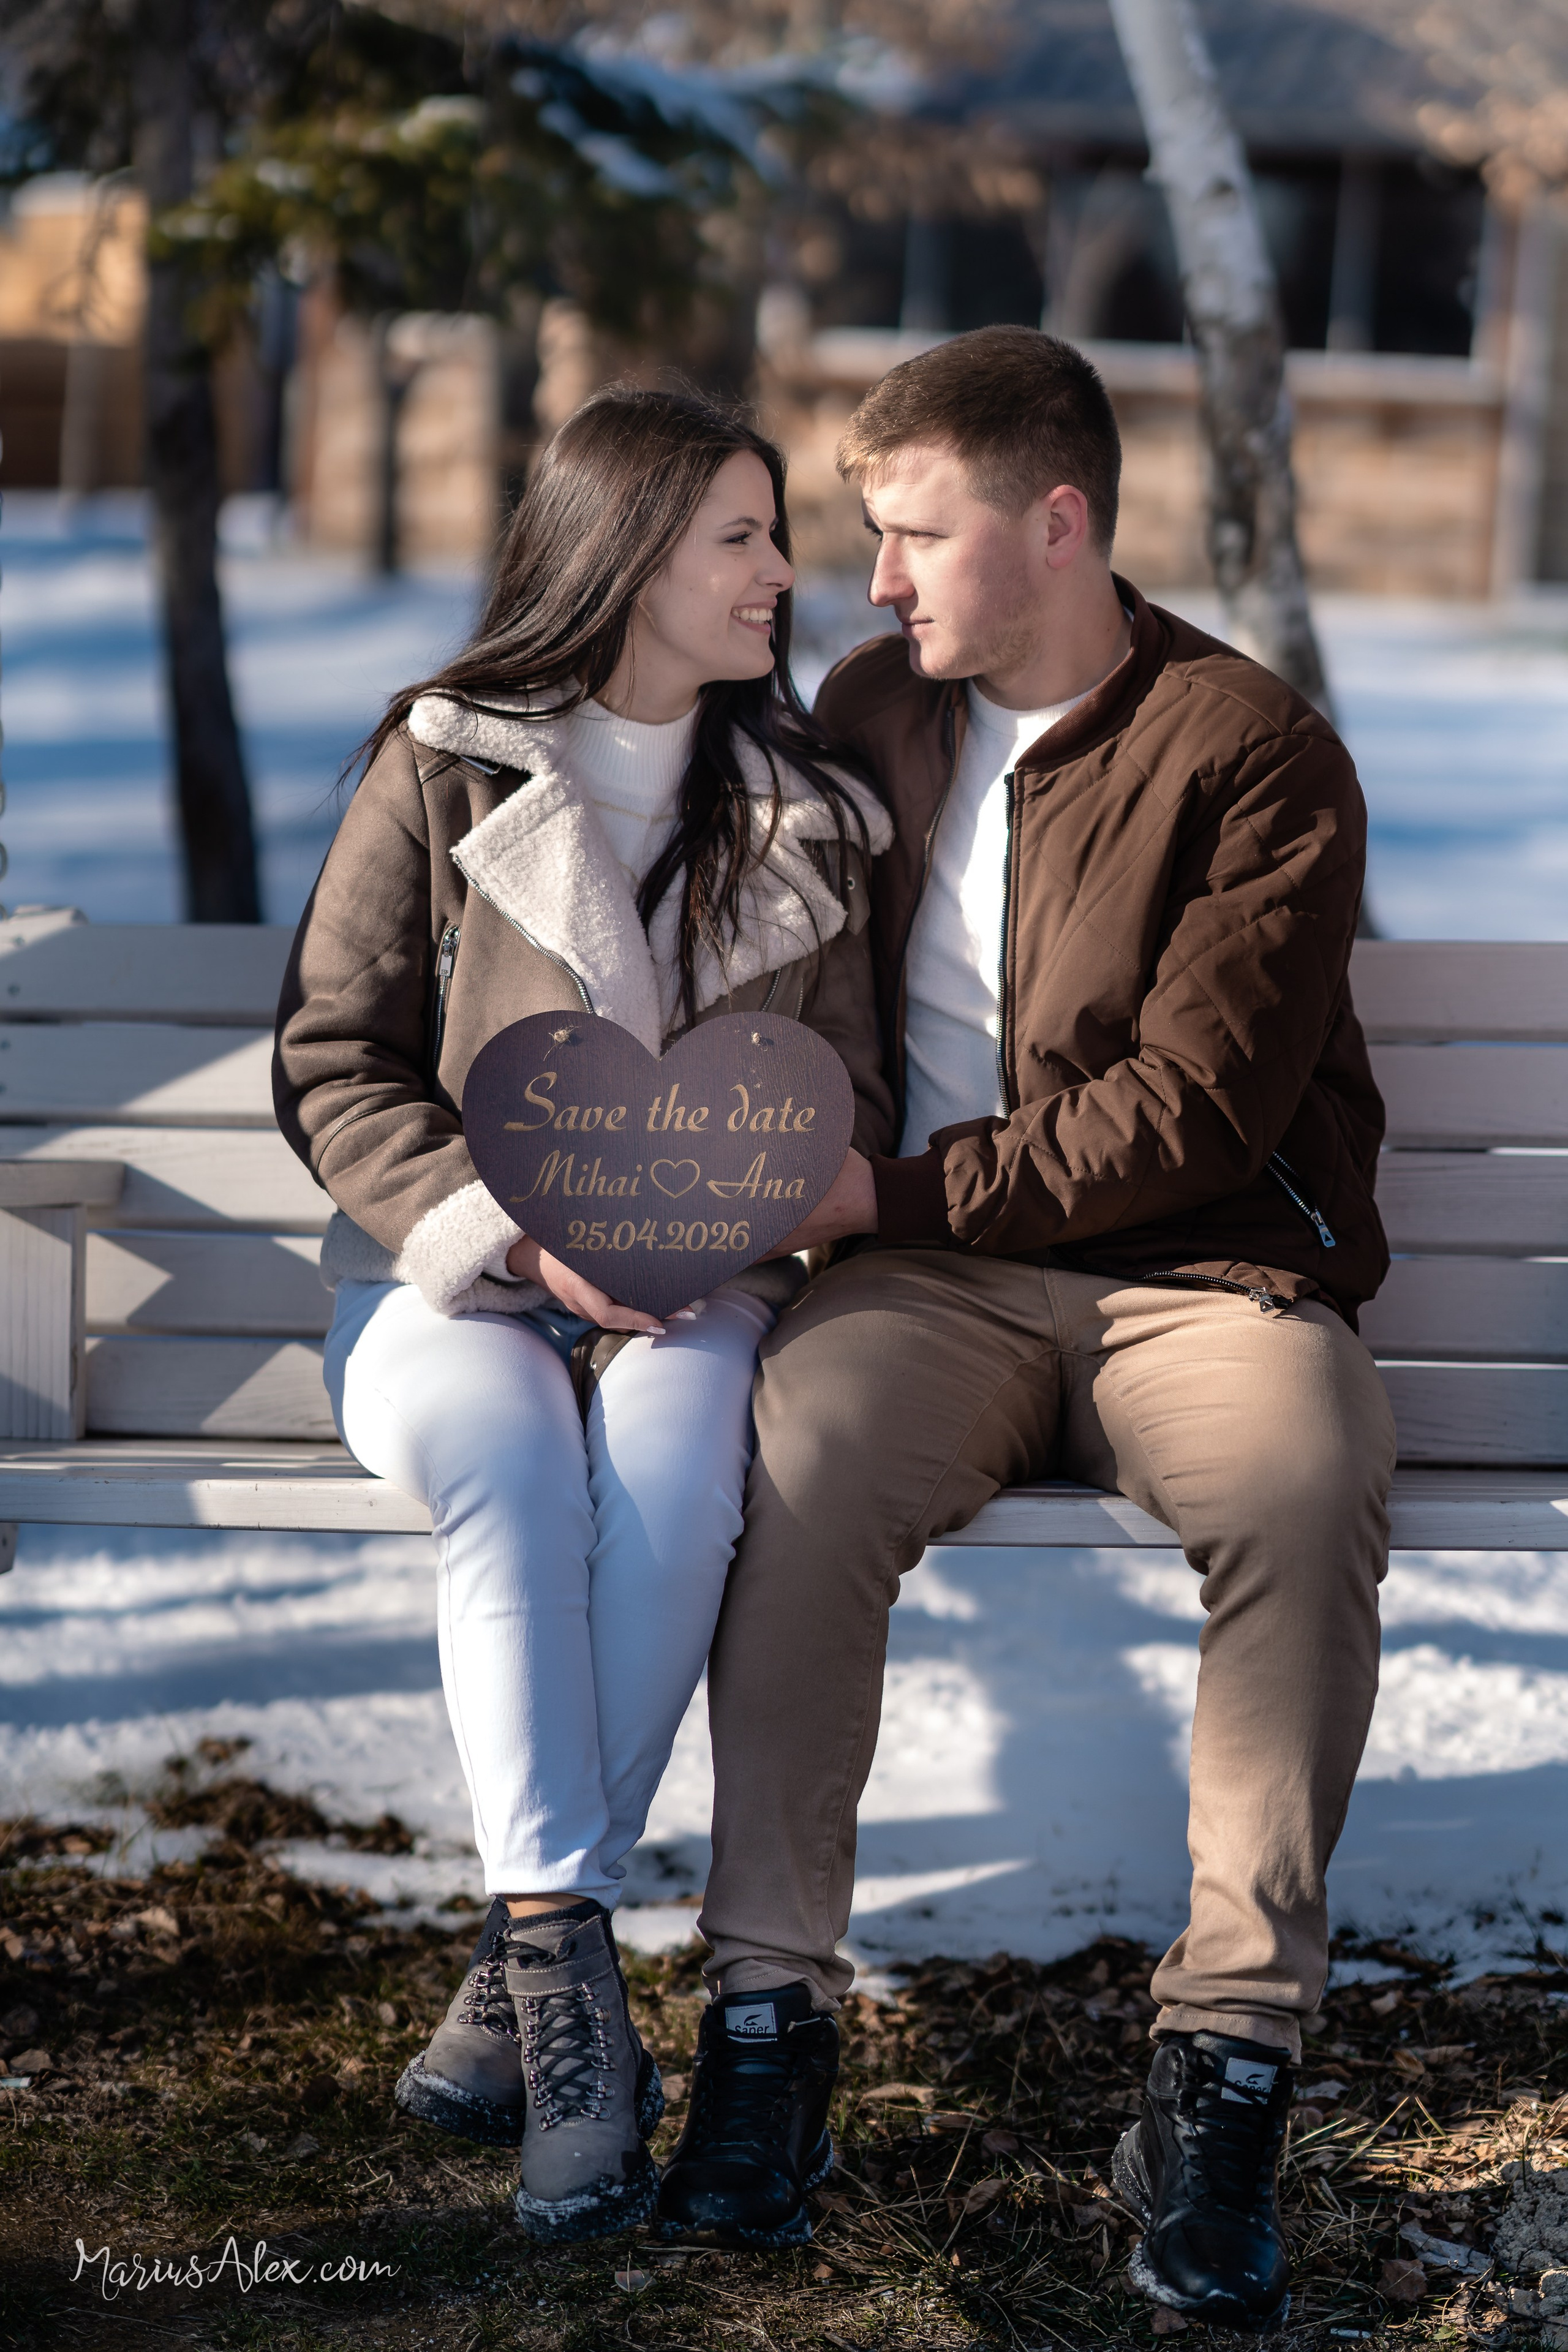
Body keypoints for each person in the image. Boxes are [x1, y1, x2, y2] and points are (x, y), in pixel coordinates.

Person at [655, 327, 1393, 2323]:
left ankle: (1228, 2064)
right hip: (929, 1290)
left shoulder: (1254, 751)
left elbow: (1197, 1109)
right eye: (865, 537)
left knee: (1308, 1486)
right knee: (794, 1463)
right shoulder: (878, 708)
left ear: (1058, 525)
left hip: (1204, 1269)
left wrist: (874, 1195)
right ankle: (764, 2028)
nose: (871, 582)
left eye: (914, 533)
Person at [273, 386, 894, 2245]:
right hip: (450, 1278)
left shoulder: (813, 817)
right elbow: (334, 1061)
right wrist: (516, 1245)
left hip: (696, 1286)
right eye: (742, 536)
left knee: (690, 1451)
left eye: (778, 535)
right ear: (623, 555)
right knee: (513, 1459)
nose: (787, 573)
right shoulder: (446, 763)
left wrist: (712, 1238)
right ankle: (566, 1989)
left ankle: (523, 1966)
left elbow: (837, 1095)